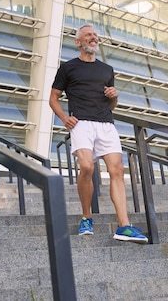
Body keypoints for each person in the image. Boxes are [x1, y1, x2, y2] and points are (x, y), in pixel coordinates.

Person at [49, 23, 148, 244]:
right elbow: (53, 98)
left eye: (95, 36)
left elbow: (111, 104)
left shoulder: (107, 70)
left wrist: (114, 95)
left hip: (106, 123)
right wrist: (65, 118)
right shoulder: (68, 68)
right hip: (81, 123)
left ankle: (124, 226)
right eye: (88, 35)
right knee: (87, 167)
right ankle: (86, 216)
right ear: (78, 42)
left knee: (117, 170)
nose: (93, 38)